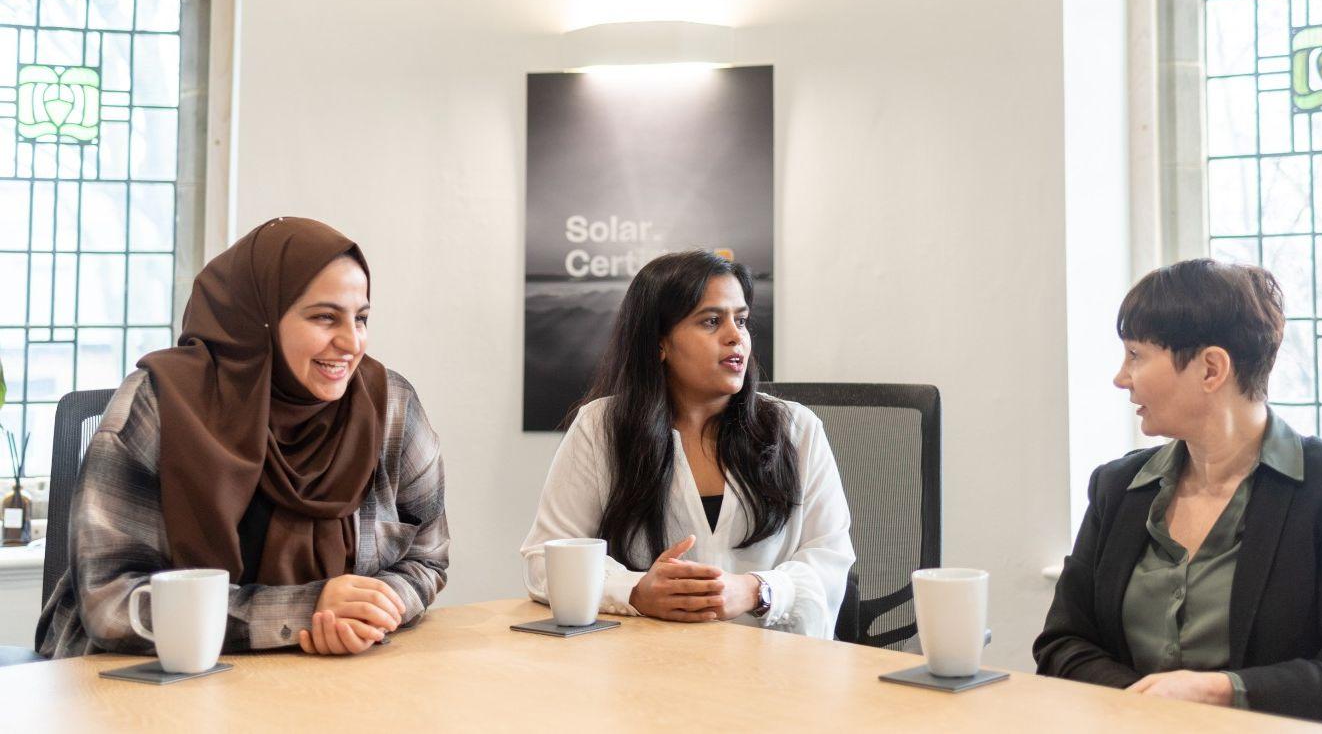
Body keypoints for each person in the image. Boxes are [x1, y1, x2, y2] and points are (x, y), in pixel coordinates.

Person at [38, 217, 449, 658]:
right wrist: (303, 611)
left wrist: (370, 609)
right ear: (261, 319)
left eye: (361, 318)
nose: (351, 342)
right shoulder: (159, 405)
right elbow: (110, 602)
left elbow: (428, 557)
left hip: (321, 679)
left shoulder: (389, 406)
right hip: (142, 680)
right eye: (325, 317)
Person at [1034, 258, 1322, 729]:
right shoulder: (1118, 489)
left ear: (1211, 368)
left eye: (1136, 355)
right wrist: (1146, 705)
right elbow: (1061, 645)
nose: (1120, 377)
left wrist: (1220, 692)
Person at [521, 250, 854, 638]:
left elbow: (829, 561)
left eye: (741, 320)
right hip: (647, 669)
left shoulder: (797, 429)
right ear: (659, 343)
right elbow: (546, 560)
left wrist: (756, 591)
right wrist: (635, 591)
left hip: (773, 672)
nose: (735, 336)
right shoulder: (601, 427)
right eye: (712, 321)